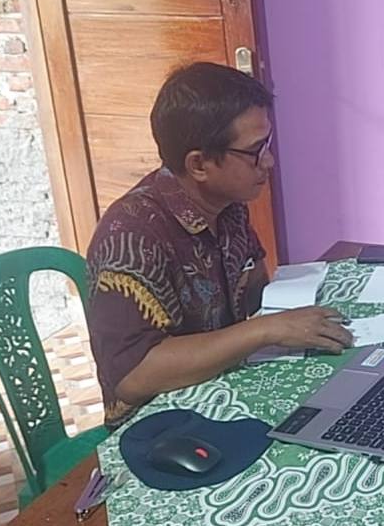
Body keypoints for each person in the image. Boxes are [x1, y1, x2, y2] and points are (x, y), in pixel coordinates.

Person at [84, 62, 352, 428]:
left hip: (223, 387)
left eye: (267, 144)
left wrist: (282, 321)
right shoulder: (131, 236)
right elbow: (133, 376)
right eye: (254, 151)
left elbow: (256, 296)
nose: (269, 161)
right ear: (198, 165)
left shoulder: (227, 206)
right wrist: (266, 330)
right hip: (161, 427)